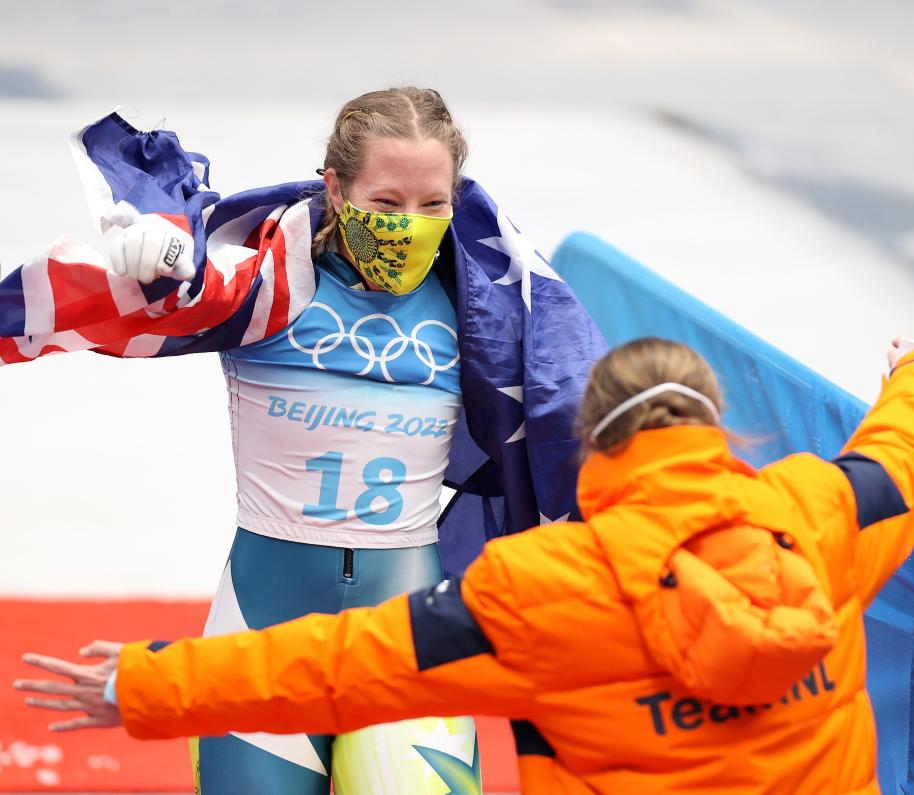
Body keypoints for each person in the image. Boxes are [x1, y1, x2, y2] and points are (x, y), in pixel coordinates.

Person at [16, 336, 914, 794]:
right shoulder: (820, 513)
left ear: (590, 442)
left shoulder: (541, 587)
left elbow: (344, 663)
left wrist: (148, 683)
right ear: (716, 424)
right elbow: (911, 447)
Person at [1, 87, 605, 793]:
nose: (409, 226)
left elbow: (579, 400)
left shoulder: (492, 311)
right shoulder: (266, 285)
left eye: (432, 205)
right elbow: (189, 284)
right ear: (335, 188)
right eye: (387, 203)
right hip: (261, 628)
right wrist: (160, 257)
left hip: (408, 638)